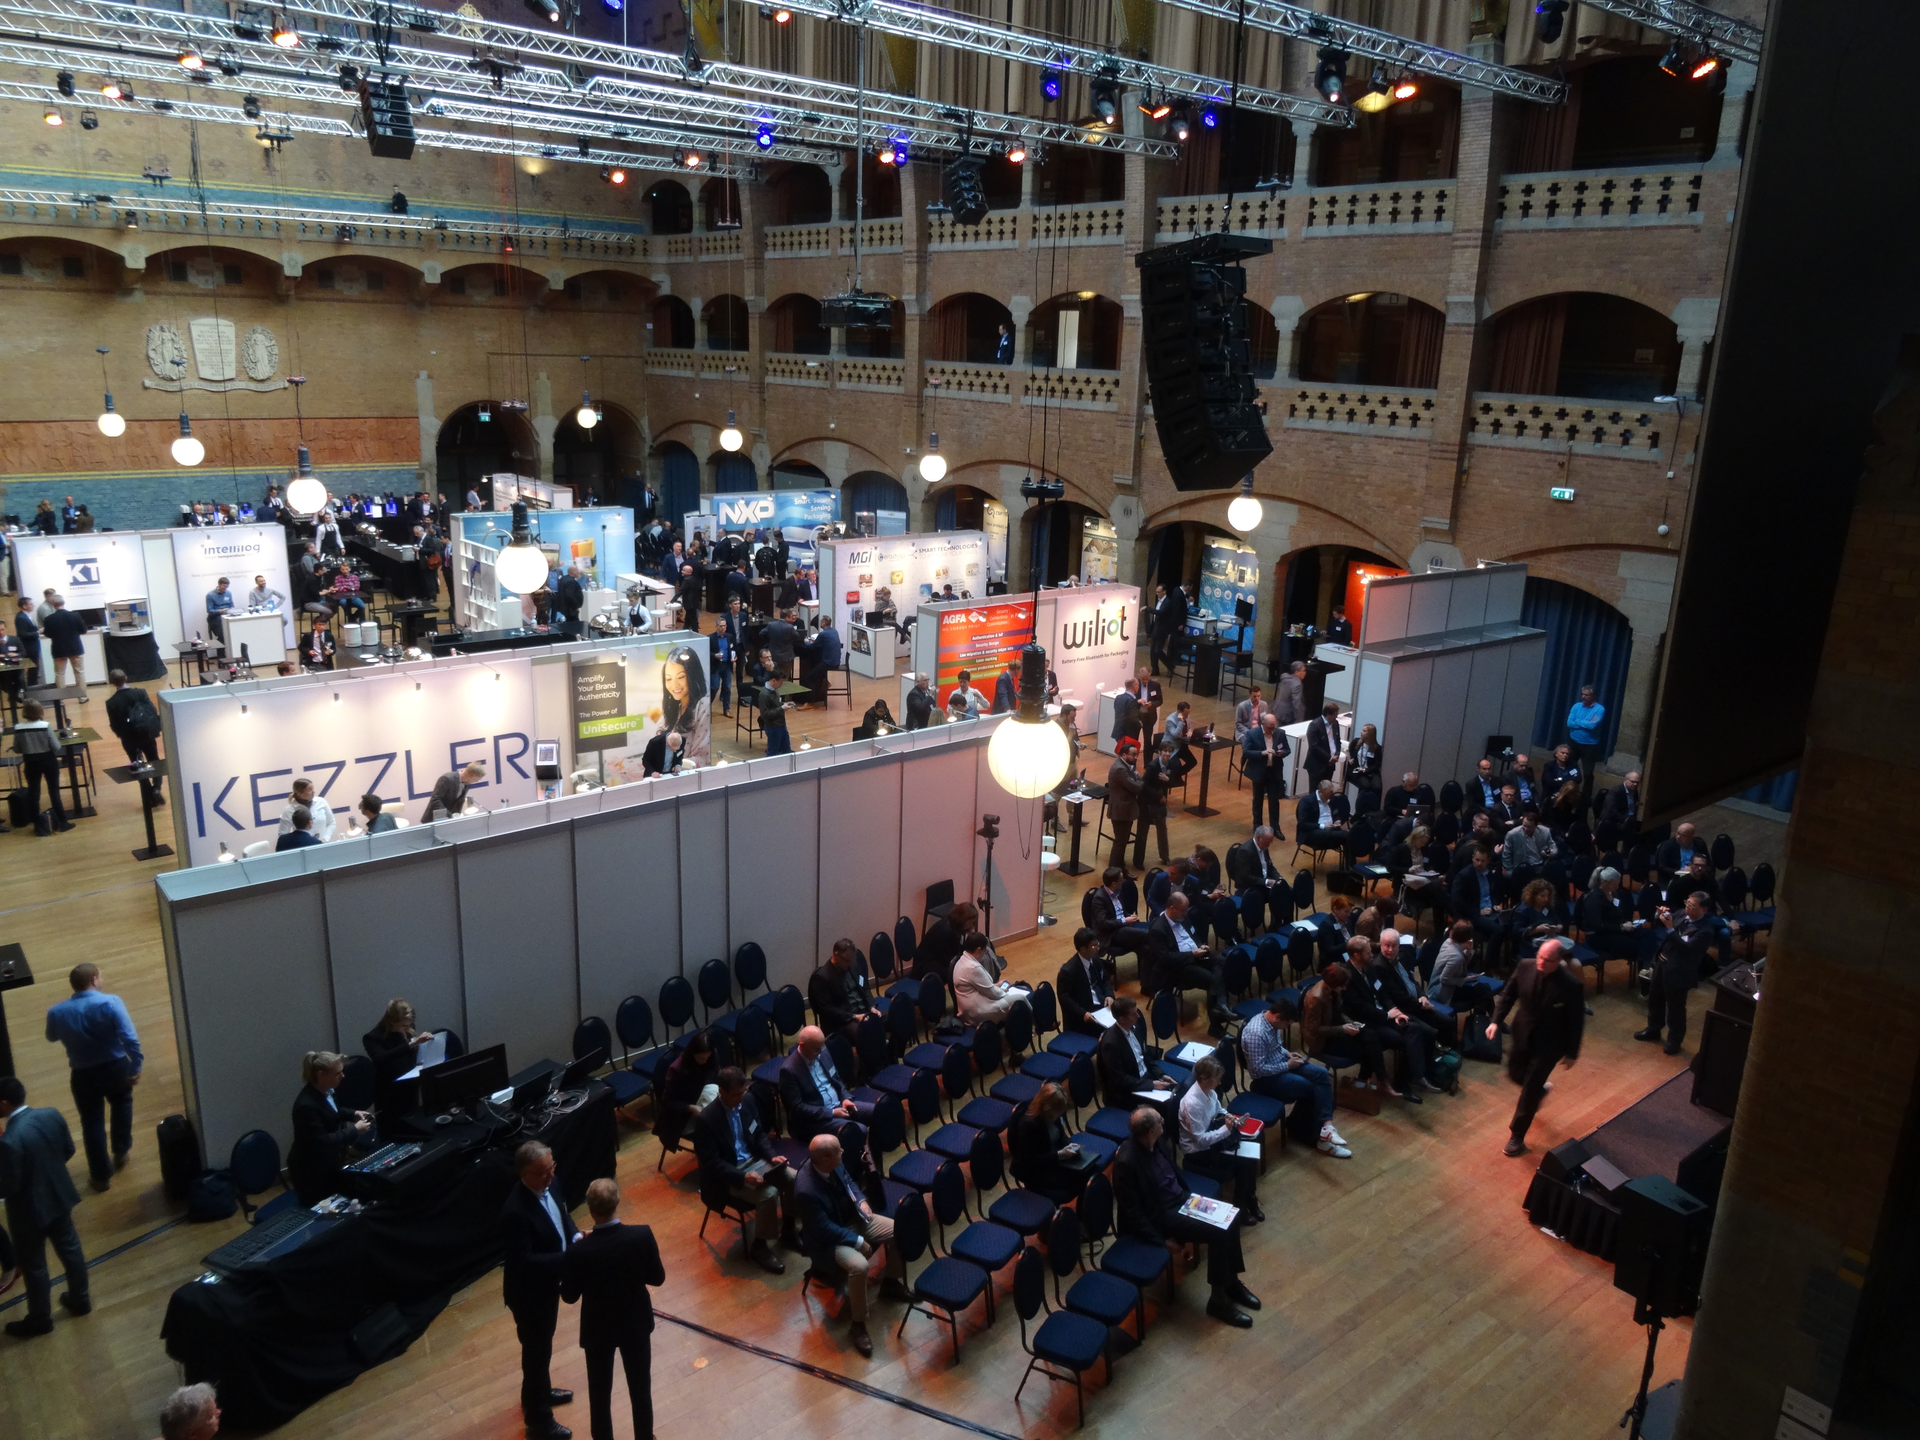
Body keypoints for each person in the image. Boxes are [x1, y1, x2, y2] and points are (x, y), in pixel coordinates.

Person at [1113, 1106, 1256, 1327]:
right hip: (1165, 1214)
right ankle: (1217, 1301)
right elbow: (1132, 1212)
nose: (1164, 1122)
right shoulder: (1127, 1161)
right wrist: (1161, 1240)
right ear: (1151, 1130)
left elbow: (1173, 1175)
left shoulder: (1156, 1142)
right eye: (1160, 1121)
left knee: (1231, 1215)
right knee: (1219, 1230)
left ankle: (1231, 1283)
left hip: (1182, 1199)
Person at [559, 1177, 663, 1440]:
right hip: (635, 1324)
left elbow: (569, 1297)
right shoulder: (641, 1235)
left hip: (598, 1331)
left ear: (590, 1209)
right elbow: (658, 1278)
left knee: (599, 1394)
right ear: (617, 1201)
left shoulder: (578, 1252)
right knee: (640, 1389)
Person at [795, 1130, 906, 1357]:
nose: (843, 1152)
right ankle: (858, 1324)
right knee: (859, 1266)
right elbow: (822, 1229)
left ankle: (891, 1283)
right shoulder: (806, 1190)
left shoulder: (833, 1163)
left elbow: (849, 1182)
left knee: (898, 1230)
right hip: (830, 1240)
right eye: (839, 1150)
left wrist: (863, 1201)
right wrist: (857, 1241)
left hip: (853, 1219)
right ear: (826, 1159)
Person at [0, 1077, 88, 1339]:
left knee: (35, 1265)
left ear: (4, 1103)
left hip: (29, 1213)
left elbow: (8, 1188)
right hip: (59, 1196)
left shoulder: (9, 1140)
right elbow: (68, 1150)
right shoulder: (51, 1115)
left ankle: (40, 1319)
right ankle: (80, 1299)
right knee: (71, 1249)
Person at [502, 1140, 578, 1440]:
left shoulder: (552, 1183)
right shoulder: (514, 1212)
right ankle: (538, 1420)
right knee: (536, 1356)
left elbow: (564, 1216)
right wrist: (569, 1258)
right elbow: (526, 1262)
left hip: (548, 1285)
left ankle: (540, 1393)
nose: (550, 1176)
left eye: (551, 1168)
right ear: (524, 1174)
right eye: (542, 1172)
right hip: (529, 1295)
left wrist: (574, 1238)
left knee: (540, 1351)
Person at [43, 963, 142, 1193]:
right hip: (116, 1067)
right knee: (122, 1104)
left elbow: (51, 1036)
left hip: (83, 1074)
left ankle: (100, 1177)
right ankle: (121, 1151)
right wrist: (136, 1064)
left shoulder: (56, 1012)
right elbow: (130, 1038)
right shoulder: (111, 1002)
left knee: (92, 1122)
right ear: (95, 979)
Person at [692, 1068, 796, 1275]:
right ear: (722, 1091)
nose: (741, 1098)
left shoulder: (747, 1101)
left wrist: (771, 1156)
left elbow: (758, 1134)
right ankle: (759, 1246)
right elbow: (711, 1163)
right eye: (736, 1094)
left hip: (755, 1162)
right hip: (727, 1175)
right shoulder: (706, 1120)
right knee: (768, 1194)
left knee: (792, 1177)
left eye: (743, 1092)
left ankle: (789, 1230)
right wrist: (742, 1176)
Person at [1490, 939, 1584, 1156]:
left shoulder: (1571, 985)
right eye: (1540, 956)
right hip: (1522, 1033)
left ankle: (1517, 1136)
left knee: (1529, 1090)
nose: (1541, 962)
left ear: (1558, 961)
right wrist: (1496, 1021)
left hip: (1550, 1044)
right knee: (1514, 1073)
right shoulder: (1525, 966)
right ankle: (1540, 1090)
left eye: (1547, 960)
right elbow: (1508, 995)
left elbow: (1576, 1020)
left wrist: (1572, 1053)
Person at [1240, 995, 1348, 1157]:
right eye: (1286, 1024)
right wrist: (1287, 1065)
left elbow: (1276, 1048)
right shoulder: (1256, 1033)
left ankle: (1326, 1126)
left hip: (1282, 1065)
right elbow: (1257, 1071)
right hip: (1266, 1080)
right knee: (1309, 1087)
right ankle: (1313, 1137)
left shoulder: (1272, 1023)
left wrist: (1288, 1054)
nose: (1286, 1028)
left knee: (1321, 1074)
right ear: (1278, 1017)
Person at [1177, 1053, 1263, 1219]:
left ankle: (1249, 1199)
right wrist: (1226, 1129)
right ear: (1204, 1078)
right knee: (1245, 1163)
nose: (1219, 1082)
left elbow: (1219, 1111)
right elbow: (1200, 1141)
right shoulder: (1192, 1104)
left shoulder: (1210, 1092)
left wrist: (1232, 1120)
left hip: (1212, 1137)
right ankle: (1241, 1206)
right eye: (1216, 1078)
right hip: (1197, 1152)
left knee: (1250, 1157)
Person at [287, 1049, 372, 1202]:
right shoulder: (306, 1106)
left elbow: (334, 1111)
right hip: (312, 1171)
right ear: (321, 1075)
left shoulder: (326, 1091)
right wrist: (354, 1130)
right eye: (337, 1073)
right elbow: (321, 1141)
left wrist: (353, 1114)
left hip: (329, 1163)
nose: (343, 1076)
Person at [1637, 891, 1716, 1055]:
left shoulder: (1705, 931)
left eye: (1692, 905)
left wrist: (1670, 928)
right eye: (1687, 902)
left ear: (1704, 910)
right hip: (1662, 962)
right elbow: (1665, 923)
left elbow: (1686, 949)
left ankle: (1674, 1041)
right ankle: (1653, 1029)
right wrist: (1661, 915)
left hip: (1679, 971)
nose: (1687, 907)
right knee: (1655, 998)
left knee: (1675, 1007)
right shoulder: (1681, 913)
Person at [778, 1026, 871, 1141]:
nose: (820, 1051)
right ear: (802, 1045)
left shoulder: (822, 1050)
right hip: (817, 1119)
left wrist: (845, 1098)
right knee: (859, 1130)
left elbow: (836, 1078)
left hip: (840, 1105)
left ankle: (873, 1152)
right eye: (816, 1049)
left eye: (821, 1046)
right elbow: (798, 1108)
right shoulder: (789, 1070)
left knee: (877, 1111)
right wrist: (831, 1112)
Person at [1301, 962, 1384, 1091]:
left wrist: (1349, 1022)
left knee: (1371, 1035)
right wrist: (1343, 1029)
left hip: (1335, 1029)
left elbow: (1339, 1012)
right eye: (1343, 985)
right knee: (1367, 1048)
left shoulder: (1333, 989)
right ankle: (1371, 1081)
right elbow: (1314, 1029)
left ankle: (1372, 1079)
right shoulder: (1316, 998)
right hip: (1322, 1041)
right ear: (1334, 984)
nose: (1344, 988)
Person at [1009, 1082, 1092, 1203]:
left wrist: (1069, 1145)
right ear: (1047, 1108)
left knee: (1089, 1172)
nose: (1059, 1115)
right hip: (1037, 1171)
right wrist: (1058, 1155)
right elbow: (1030, 1160)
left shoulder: (1053, 1115)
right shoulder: (1029, 1125)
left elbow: (1061, 1135)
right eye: (1057, 1112)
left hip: (1053, 1159)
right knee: (1078, 1183)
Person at [1094, 993, 1179, 1112]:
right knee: (1167, 1107)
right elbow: (1119, 1080)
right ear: (1122, 1019)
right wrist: (1151, 1085)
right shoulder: (1111, 1044)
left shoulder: (1135, 1027)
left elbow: (1145, 1056)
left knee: (1178, 1091)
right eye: (1133, 1014)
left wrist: (1160, 1075)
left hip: (1145, 1077)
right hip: (1128, 1091)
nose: (1138, 1016)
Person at [361, 999, 434, 1114]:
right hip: (389, 1093)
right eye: (404, 1025)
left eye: (409, 1024)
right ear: (392, 1021)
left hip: (410, 1088)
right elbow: (381, 1058)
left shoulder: (407, 1029)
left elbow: (410, 1056)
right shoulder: (372, 1037)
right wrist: (412, 1044)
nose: (407, 1028)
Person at [11, 700, 73, 833]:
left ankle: (38, 825)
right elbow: (56, 747)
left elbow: (17, 749)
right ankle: (62, 822)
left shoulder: (18, 728)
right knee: (54, 792)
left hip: (30, 762)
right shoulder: (45, 725)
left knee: (34, 793)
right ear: (40, 711)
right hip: (48, 761)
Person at [105, 670, 165, 798]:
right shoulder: (140, 693)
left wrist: (122, 735)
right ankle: (157, 788)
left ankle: (147, 792)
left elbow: (114, 724)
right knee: (154, 760)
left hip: (129, 738)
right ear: (126, 677)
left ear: (112, 683)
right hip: (146, 734)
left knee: (136, 764)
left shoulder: (111, 702)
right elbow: (152, 710)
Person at [809, 938, 880, 1038]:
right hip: (844, 1021)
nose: (850, 964)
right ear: (835, 955)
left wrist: (871, 1006)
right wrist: (854, 1016)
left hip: (865, 1011)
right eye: (847, 961)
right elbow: (826, 1010)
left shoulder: (852, 964)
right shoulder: (822, 977)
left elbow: (864, 987)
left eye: (852, 960)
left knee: (892, 1016)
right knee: (866, 1032)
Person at [1225, 825, 1289, 935]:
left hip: (1263, 882)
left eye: (1270, 842)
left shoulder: (1264, 847)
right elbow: (1244, 876)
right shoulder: (1245, 851)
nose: (1269, 844)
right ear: (1259, 838)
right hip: (1249, 885)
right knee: (1276, 893)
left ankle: (1285, 922)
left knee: (1285, 889)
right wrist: (1266, 882)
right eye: (1267, 842)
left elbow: (1270, 867)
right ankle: (1275, 924)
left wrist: (1278, 878)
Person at [953, 931, 1026, 1024]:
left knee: (1011, 1000)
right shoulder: (973, 968)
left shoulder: (961, 961)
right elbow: (993, 993)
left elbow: (980, 987)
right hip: (978, 1011)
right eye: (984, 951)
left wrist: (997, 985)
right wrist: (1006, 993)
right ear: (978, 950)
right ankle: (1038, 1022)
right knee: (1021, 998)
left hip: (969, 1008)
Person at [1081, 867, 1149, 961]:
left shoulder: (1118, 891)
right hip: (1110, 933)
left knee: (1145, 945)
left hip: (1123, 926)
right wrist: (1125, 920)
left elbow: (1121, 911)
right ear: (1114, 884)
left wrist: (1128, 917)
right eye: (1121, 880)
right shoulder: (1099, 899)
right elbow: (1103, 923)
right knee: (1149, 934)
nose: (1123, 882)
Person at [1057, 928, 1115, 1037]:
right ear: (1083, 949)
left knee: (1123, 1017)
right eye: (1093, 946)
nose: (1097, 948)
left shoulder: (1095, 959)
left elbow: (1105, 979)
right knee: (1110, 1034)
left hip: (1101, 1005)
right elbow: (1065, 999)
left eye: (1097, 943)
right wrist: (1083, 1013)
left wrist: (1109, 995)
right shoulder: (1069, 971)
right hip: (1084, 1013)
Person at [1450, 844, 1506, 948]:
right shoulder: (1464, 875)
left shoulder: (1489, 873)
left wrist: (1494, 904)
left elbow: (1491, 893)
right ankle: (1490, 963)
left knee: (1510, 924)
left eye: (1483, 861)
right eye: (1477, 860)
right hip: (1473, 914)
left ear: (1488, 860)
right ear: (1472, 858)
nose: (1479, 863)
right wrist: (1478, 912)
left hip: (1490, 910)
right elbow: (1457, 901)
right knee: (1498, 930)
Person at [1243, 712, 1289, 834]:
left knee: (1274, 800)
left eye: (1274, 726)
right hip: (1259, 771)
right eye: (1269, 727)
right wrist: (1261, 753)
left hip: (1273, 771)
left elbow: (1287, 749)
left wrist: (1280, 753)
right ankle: (1257, 825)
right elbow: (1246, 751)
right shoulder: (1252, 734)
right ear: (1262, 724)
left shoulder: (1280, 733)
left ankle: (1275, 828)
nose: (1272, 729)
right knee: (1258, 799)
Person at [1105, 740, 1143, 875]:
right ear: (1124, 754)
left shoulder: (1125, 766)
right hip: (1121, 811)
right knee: (1120, 842)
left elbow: (1137, 781)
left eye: (1136, 754)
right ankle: (1114, 871)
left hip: (1125, 809)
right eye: (1133, 754)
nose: (1136, 757)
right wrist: (1138, 780)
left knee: (1122, 841)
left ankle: (1120, 868)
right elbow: (1137, 786)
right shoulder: (1120, 769)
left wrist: (1137, 779)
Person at [1295, 779, 1355, 863]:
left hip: (1331, 830)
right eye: (1327, 796)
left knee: (1346, 838)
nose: (1328, 798)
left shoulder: (1330, 799)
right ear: (1320, 791)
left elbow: (1336, 813)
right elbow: (1302, 823)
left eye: (1330, 795)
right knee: (1345, 835)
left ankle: (1350, 866)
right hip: (1312, 832)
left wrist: (1337, 820)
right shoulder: (1306, 801)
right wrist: (1322, 826)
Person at [1501, 809, 1559, 891]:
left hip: (1539, 865)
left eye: (1528, 827)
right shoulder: (1512, 834)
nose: (1525, 828)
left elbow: (1554, 848)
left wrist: (1549, 854)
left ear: (1535, 826)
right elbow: (1506, 855)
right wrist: (1511, 871)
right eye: (1523, 825)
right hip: (1521, 866)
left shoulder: (1545, 831)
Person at [1565, 684, 1605, 801]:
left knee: (1587, 773)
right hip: (1573, 741)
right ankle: (1569, 791)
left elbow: (1592, 726)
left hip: (1590, 745)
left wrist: (1578, 721)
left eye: (1587, 695)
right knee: (1570, 768)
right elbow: (1569, 723)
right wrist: (1585, 723)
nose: (1583, 697)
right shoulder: (1576, 706)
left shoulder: (1599, 709)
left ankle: (1586, 798)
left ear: (1593, 696)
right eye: (1582, 694)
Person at [798, 615, 842, 706]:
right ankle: (824, 681)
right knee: (817, 672)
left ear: (824, 623)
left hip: (828, 662)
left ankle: (810, 703)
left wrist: (806, 641)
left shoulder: (823, 634)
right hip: (836, 661)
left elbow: (811, 646)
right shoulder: (834, 631)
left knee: (809, 678)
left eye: (821, 622)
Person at [1148, 581, 1190, 677]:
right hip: (1156, 628)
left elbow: (1160, 612)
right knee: (1152, 651)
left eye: (1159, 592)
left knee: (1158, 650)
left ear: (1164, 592)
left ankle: (1170, 665)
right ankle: (1155, 669)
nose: (1157, 594)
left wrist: (1148, 609)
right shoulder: (1159, 601)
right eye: (1156, 592)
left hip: (1162, 630)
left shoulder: (1168, 602)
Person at [279, 777, 337, 843]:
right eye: (309, 790)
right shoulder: (289, 810)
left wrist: (326, 839)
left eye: (313, 788)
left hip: (323, 845)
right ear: (299, 793)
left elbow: (331, 822)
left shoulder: (321, 802)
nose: (314, 792)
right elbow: (283, 835)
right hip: (303, 847)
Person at [756, 659, 794, 756]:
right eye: (780, 682)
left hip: (781, 725)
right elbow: (765, 715)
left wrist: (784, 704)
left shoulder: (774, 690)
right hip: (773, 727)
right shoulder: (764, 694)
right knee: (772, 754)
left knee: (787, 751)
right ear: (773, 680)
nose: (781, 685)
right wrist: (781, 708)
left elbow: (776, 705)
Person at [1303, 701, 1343, 791]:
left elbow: (1337, 741)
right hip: (1317, 765)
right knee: (1315, 792)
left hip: (1330, 765)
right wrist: (1329, 758)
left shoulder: (1335, 724)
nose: (1336, 717)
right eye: (1335, 715)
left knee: (1326, 791)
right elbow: (1314, 747)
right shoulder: (1314, 725)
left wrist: (1337, 754)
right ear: (1328, 714)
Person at [1346, 722, 1382, 806]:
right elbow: (1351, 750)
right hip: (1357, 771)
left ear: (1370, 734)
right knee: (1365, 786)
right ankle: (1360, 808)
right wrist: (1352, 758)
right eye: (1362, 730)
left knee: (1377, 787)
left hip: (1370, 771)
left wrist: (1366, 770)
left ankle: (1373, 809)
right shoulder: (1356, 742)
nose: (1361, 732)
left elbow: (1377, 764)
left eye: (1364, 731)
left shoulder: (1376, 748)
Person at [14, 595, 41, 686]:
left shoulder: (26, 616)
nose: (33, 606)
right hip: (28, 647)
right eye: (31, 604)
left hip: (32, 645)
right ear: (25, 606)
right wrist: (38, 632)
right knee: (33, 667)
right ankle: (32, 686)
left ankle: (33, 684)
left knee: (35, 667)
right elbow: (23, 634)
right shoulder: (21, 618)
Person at [1109, 677, 1141, 747]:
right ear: (1134, 685)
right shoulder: (1132, 701)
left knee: (1121, 752)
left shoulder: (1118, 698)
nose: (1138, 687)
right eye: (1138, 685)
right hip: (1128, 733)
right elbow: (1133, 718)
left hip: (1118, 731)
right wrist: (1140, 725)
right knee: (1128, 754)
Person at [203, 576, 236, 645]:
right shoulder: (210, 595)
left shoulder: (228, 593)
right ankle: (222, 654)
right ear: (219, 584)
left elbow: (231, 604)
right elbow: (209, 610)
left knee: (234, 632)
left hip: (227, 615)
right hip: (216, 618)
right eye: (224, 586)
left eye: (227, 587)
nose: (225, 588)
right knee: (223, 635)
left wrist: (232, 609)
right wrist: (220, 611)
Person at [1274, 661, 1306, 726]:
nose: (1305, 673)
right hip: (1288, 715)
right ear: (1296, 672)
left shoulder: (1285, 678)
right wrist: (1299, 720)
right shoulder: (1297, 684)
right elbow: (1296, 703)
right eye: (1303, 671)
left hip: (1279, 710)